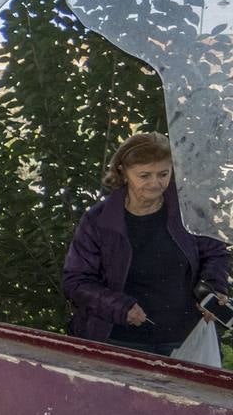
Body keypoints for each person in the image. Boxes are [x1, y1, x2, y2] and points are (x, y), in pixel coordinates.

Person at [62, 133, 230, 356]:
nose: (155, 183)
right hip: (119, 340)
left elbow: (216, 253)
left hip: (187, 339)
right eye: (144, 175)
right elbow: (76, 281)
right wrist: (119, 307)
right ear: (123, 171)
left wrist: (212, 288)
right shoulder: (99, 220)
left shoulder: (188, 210)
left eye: (163, 174)